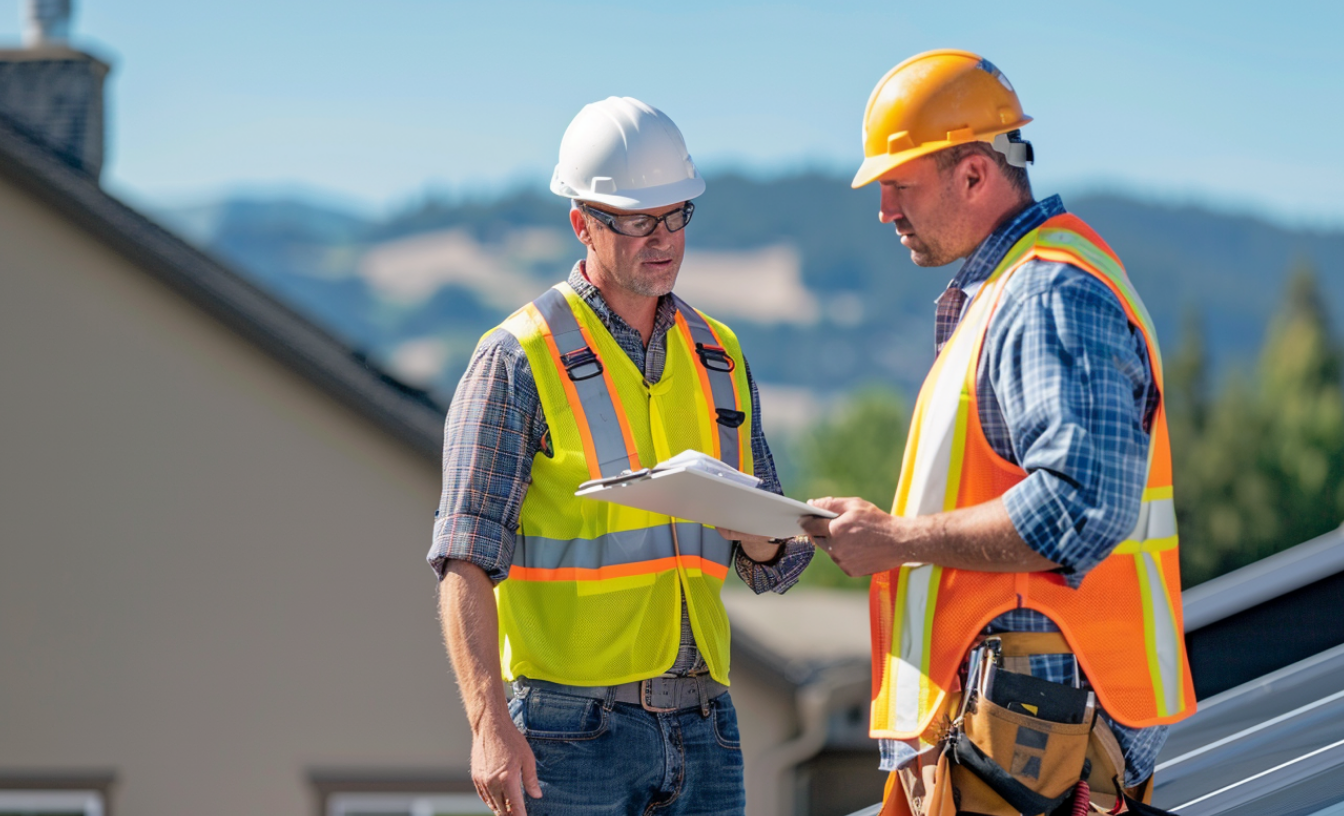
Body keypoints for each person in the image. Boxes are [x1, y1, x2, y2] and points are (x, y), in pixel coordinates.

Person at [801, 50, 1197, 812]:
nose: (885, 210)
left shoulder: (1048, 292)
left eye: (899, 184)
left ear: (975, 174)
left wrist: (899, 540)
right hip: (1020, 731)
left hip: (1035, 727)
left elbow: (1082, 508)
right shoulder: (1019, 289)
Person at [429, 96, 813, 816]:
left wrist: (761, 535)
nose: (662, 238)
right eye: (638, 221)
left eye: (676, 216)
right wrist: (488, 726)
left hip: (705, 726)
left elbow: (780, 563)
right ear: (583, 223)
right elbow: (463, 556)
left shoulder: (719, 356)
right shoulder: (518, 357)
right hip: (568, 734)